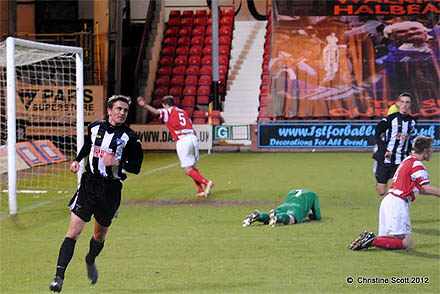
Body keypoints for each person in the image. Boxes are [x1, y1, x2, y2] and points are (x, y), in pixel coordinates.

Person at [49, 95, 144, 292]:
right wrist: (77, 159)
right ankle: (58, 277)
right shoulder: (94, 128)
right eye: (118, 109)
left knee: (99, 236)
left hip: (111, 190)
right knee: (73, 232)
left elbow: (136, 167)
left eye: (125, 110)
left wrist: (119, 163)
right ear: (109, 110)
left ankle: (90, 259)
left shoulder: (132, 138)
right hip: (89, 184)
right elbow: (87, 146)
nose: (122, 113)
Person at [349, 136, 440, 251]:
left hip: (389, 201)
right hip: (398, 203)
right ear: (426, 150)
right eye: (432, 149)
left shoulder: (407, 160)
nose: (433, 151)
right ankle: (372, 240)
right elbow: (426, 187)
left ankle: (370, 240)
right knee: (407, 244)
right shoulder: (417, 164)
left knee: (397, 240)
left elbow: (420, 189)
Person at [137, 95, 214, 197]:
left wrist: (144, 105)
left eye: (163, 106)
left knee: (187, 169)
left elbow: (156, 112)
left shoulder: (168, 111)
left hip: (183, 140)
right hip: (192, 137)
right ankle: (200, 190)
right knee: (192, 166)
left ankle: (206, 182)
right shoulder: (182, 112)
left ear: (165, 105)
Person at [372, 92, 416, 196]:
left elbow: (407, 139)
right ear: (398, 104)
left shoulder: (412, 122)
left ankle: (392, 205)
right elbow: (377, 132)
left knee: (396, 189)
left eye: (407, 102)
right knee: (381, 191)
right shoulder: (390, 119)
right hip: (385, 159)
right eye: (402, 102)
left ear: (410, 105)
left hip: (400, 160)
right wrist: (384, 150)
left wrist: (411, 150)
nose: (405, 104)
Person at [242, 189, 321, 227]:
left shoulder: (291, 192)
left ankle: (258, 216)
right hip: (297, 208)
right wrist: (312, 216)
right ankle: (277, 217)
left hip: (284, 206)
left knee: (269, 218)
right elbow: (317, 214)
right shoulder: (313, 195)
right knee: (290, 219)